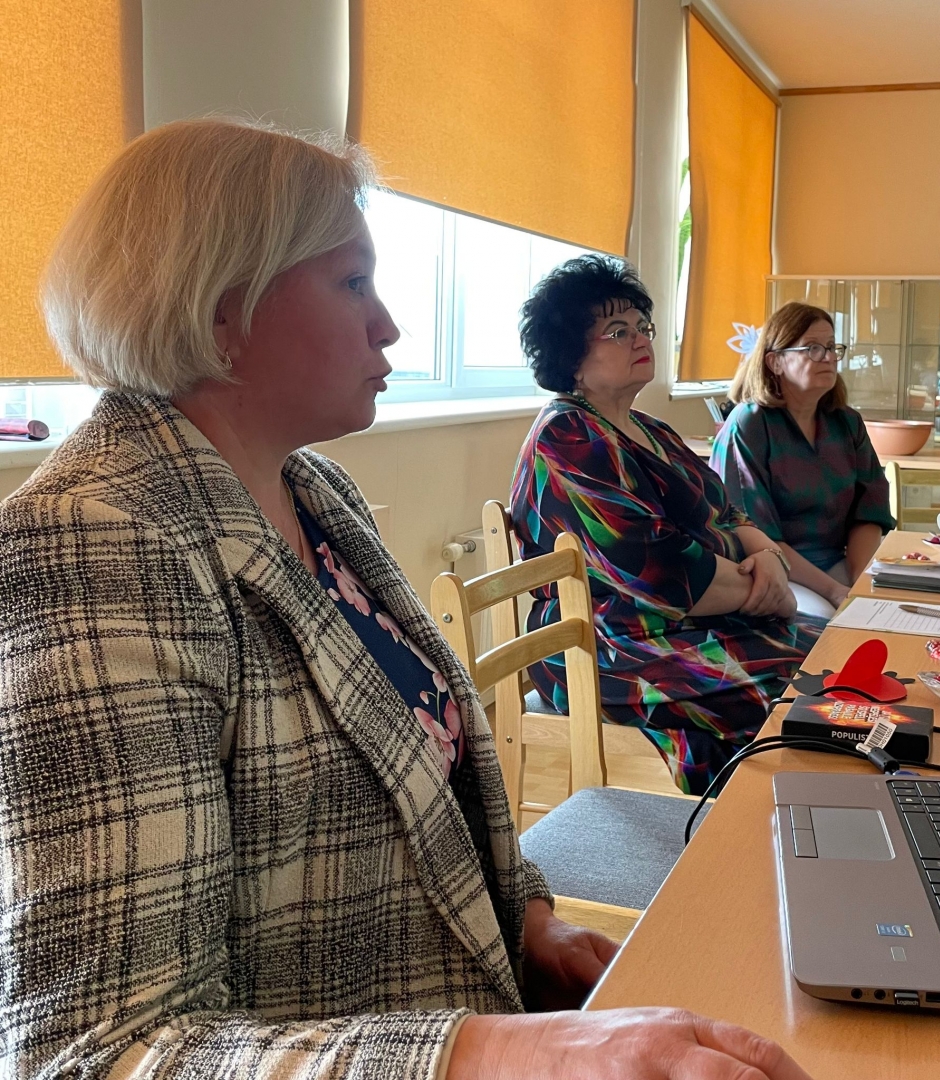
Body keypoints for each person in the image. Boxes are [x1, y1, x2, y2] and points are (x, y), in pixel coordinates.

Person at [0, 120, 813, 1080]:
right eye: (354, 283)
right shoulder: (90, 542)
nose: (388, 326)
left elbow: (426, 784)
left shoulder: (316, 492)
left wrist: (531, 925)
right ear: (221, 310)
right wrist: (496, 1056)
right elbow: (97, 1050)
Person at [509, 257, 825, 797]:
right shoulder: (568, 438)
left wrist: (771, 560)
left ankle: (791, 814)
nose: (639, 338)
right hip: (607, 646)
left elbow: (730, 514)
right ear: (571, 358)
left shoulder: (651, 429)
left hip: (687, 623)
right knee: (802, 695)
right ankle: (751, 824)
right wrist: (769, 591)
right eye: (617, 331)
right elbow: (658, 572)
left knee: (833, 658)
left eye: (642, 326)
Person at [710, 302, 895, 619]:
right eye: (812, 348)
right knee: (827, 622)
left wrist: (860, 582)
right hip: (771, 569)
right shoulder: (750, 424)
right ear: (775, 362)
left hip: (837, 564)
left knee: (887, 612)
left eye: (832, 347)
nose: (828, 357)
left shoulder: (846, 423)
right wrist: (834, 591)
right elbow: (755, 535)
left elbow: (868, 513)